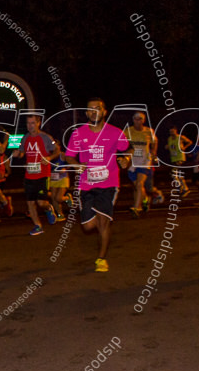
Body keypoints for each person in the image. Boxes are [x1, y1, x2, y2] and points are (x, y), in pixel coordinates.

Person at [64, 98, 130, 272]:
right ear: (86, 113)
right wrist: (76, 164)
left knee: (103, 222)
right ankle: (100, 235)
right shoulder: (78, 134)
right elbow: (69, 156)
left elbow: (127, 151)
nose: (94, 112)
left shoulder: (115, 133)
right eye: (90, 109)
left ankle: (101, 258)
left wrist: (126, 160)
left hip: (109, 183)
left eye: (97, 109)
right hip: (86, 184)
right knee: (87, 226)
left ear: (104, 111)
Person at [13, 114, 60, 236]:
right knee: (30, 203)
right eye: (28, 123)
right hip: (29, 174)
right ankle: (38, 226)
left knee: (40, 202)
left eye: (33, 123)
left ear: (38, 123)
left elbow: (57, 150)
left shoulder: (45, 137)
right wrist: (18, 154)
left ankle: (48, 208)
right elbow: (22, 152)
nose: (30, 126)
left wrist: (49, 157)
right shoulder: (25, 138)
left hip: (43, 174)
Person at [123, 112, 157, 218]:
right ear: (133, 120)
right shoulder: (128, 131)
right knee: (136, 186)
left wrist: (153, 153)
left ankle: (136, 208)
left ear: (143, 120)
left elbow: (155, 141)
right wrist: (125, 153)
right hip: (132, 162)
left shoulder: (149, 131)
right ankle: (145, 199)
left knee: (139, 184)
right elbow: (121, 142)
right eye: (135, 119)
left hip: (144, 161)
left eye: (140, 119)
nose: (138, 121)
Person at [166, 126, 192, 196]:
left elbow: (190, 142)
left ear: (176, 131)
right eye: (170, 131)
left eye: (173, 131)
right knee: (179, 175)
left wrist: (184, 147)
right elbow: (171, 146)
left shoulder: (180, 137)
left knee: (173, 173)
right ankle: (185, 189)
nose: (171, 132)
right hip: (173, 158)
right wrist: (167, 147)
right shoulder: (169, 138)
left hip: (180, 157)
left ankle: (180, 187)